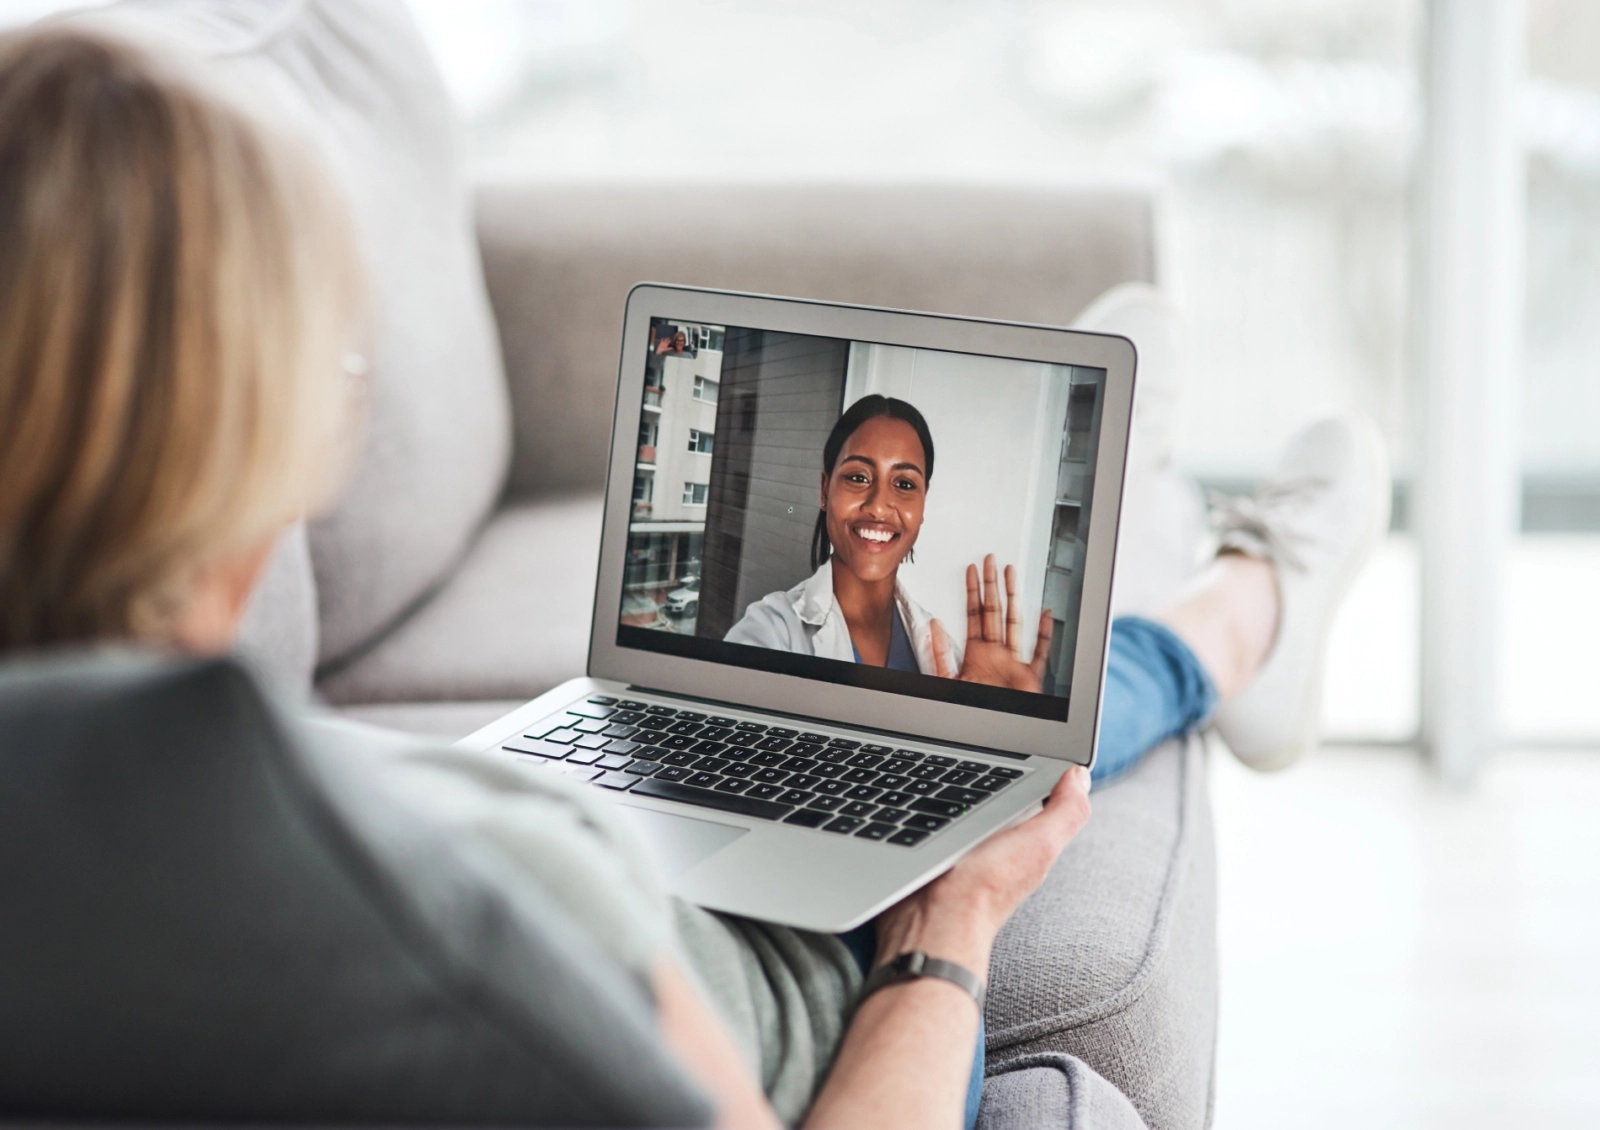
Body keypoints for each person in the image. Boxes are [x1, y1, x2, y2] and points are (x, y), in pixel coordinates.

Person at [0, 26, 1387, 1130]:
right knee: (1006, 728)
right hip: (818, 991)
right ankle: (1244, 602)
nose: (881, 504)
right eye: (335, 366)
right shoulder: (481, 902)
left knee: (988, 701)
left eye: (909, 481)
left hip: (623, 832)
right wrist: (944, 920)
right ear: (272, 434)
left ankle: (1227, 601)